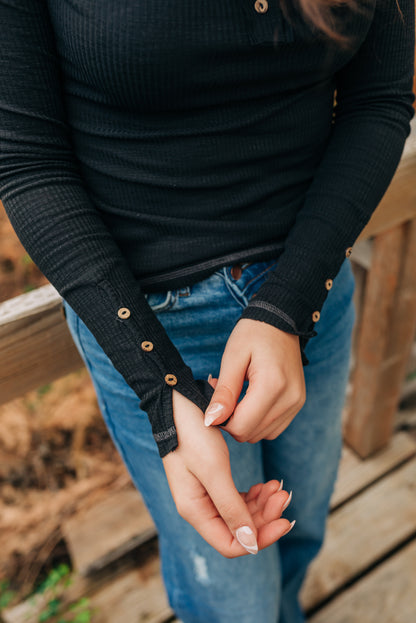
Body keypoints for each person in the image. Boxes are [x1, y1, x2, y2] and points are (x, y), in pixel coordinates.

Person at [0, 0, 414, 621]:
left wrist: (287, 306)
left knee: (299, 525)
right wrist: (159, 390)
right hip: (150, 324)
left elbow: (378, 99)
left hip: (313, 289)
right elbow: (29, 161)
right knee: (231, 600)